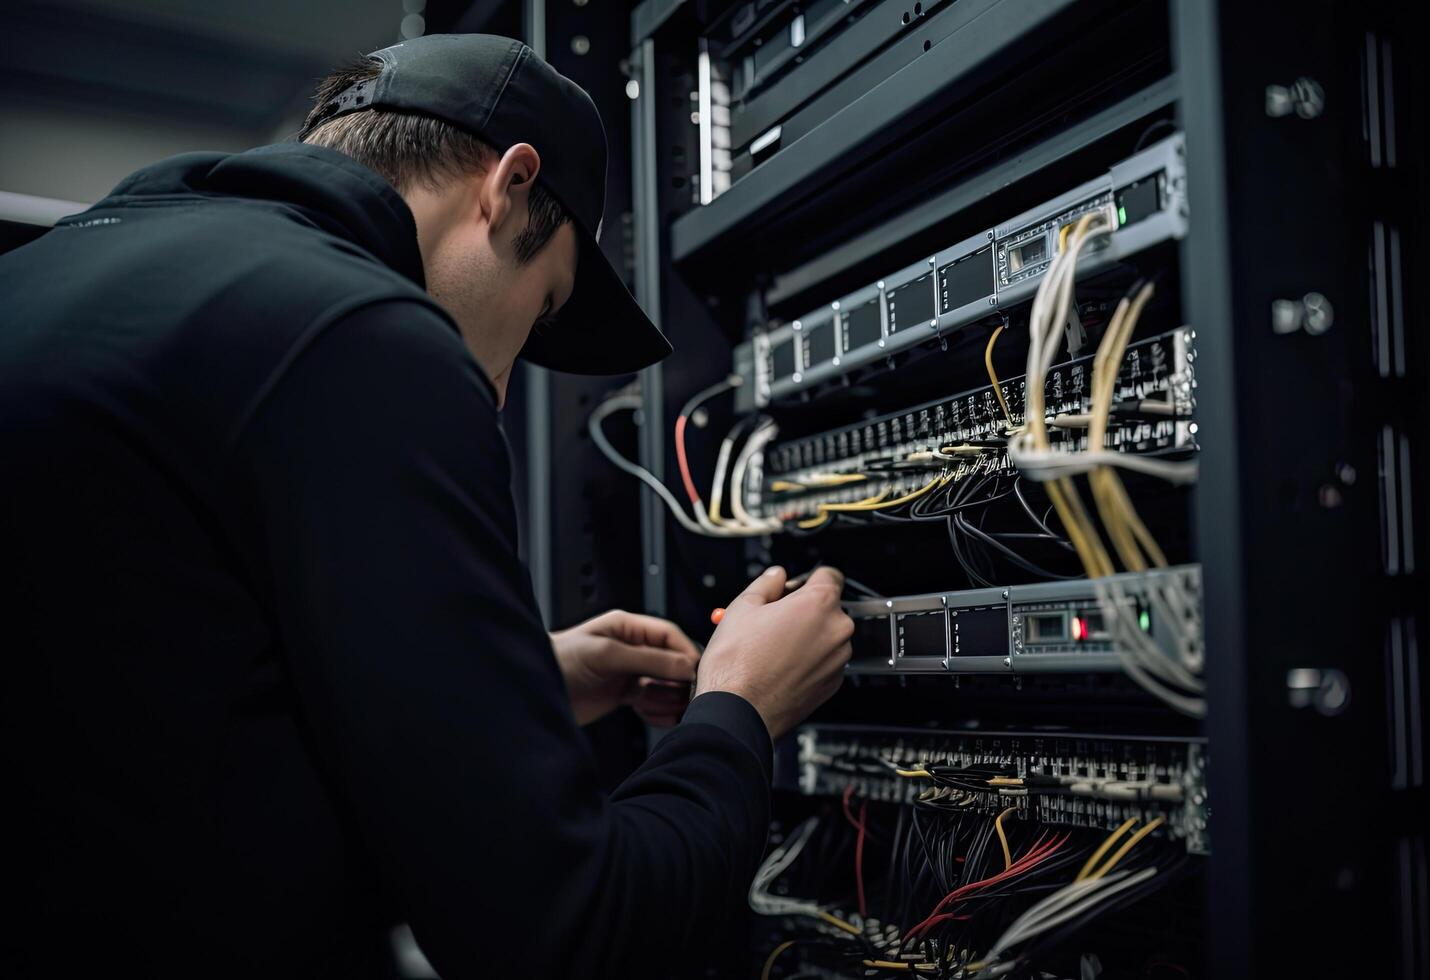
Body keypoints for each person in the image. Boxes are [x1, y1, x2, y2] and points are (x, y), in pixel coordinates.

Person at [0, 34, 853, 978]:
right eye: (545, 303)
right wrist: (738, 714)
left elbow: (152, 725)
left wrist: (506, 685)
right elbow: (567, 936)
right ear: (510, 184)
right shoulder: (360, 336)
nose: (497, 390)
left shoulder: (55, 271)